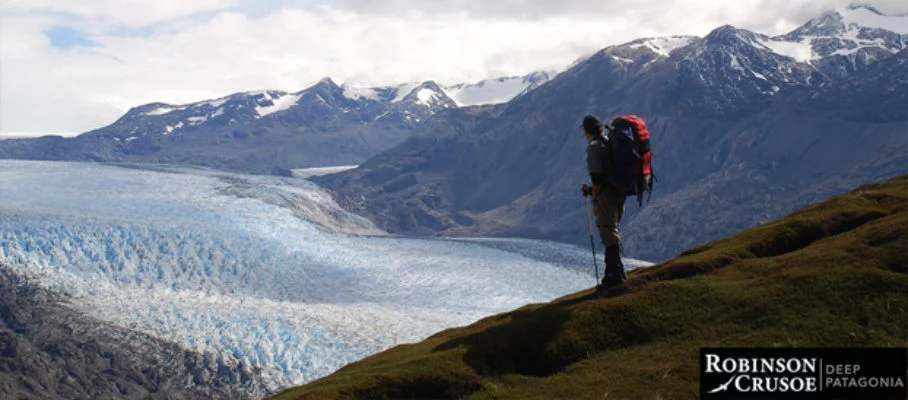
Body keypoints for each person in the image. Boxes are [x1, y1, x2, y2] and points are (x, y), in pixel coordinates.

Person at [580, 114, 628, 288]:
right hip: (619, 193)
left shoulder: (594, 147)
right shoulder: (610, 142)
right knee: (613, 228)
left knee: (608, 231)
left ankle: (613, 275)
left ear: (586, 131)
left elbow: (598, 177)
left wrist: (595, 195)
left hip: (606, 195)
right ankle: (618, 271)